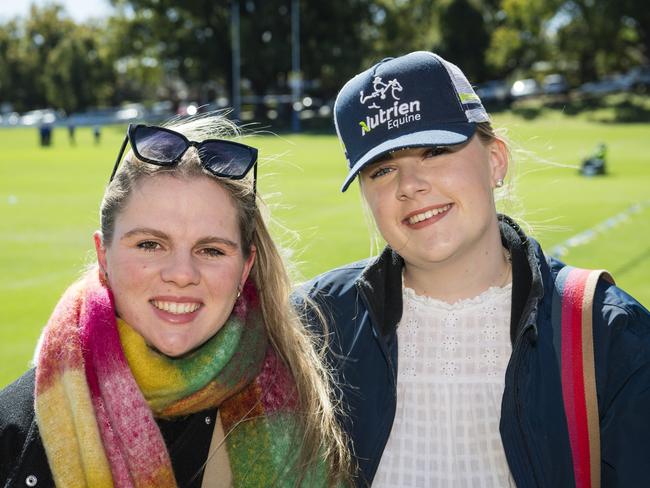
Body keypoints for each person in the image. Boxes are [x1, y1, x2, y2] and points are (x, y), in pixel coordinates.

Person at [300, 51, 650, 487]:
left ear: (495, 159)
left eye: (435, 150)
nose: (410, 185)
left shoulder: (608, 330)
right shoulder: (313, 326)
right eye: (382, 169)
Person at [0, 116, 350, 487]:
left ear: (244, 269)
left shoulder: (309, 414)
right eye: (150, 244)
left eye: (211, 249)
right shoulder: (15, 432)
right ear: (104, 258)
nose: (182, 273)